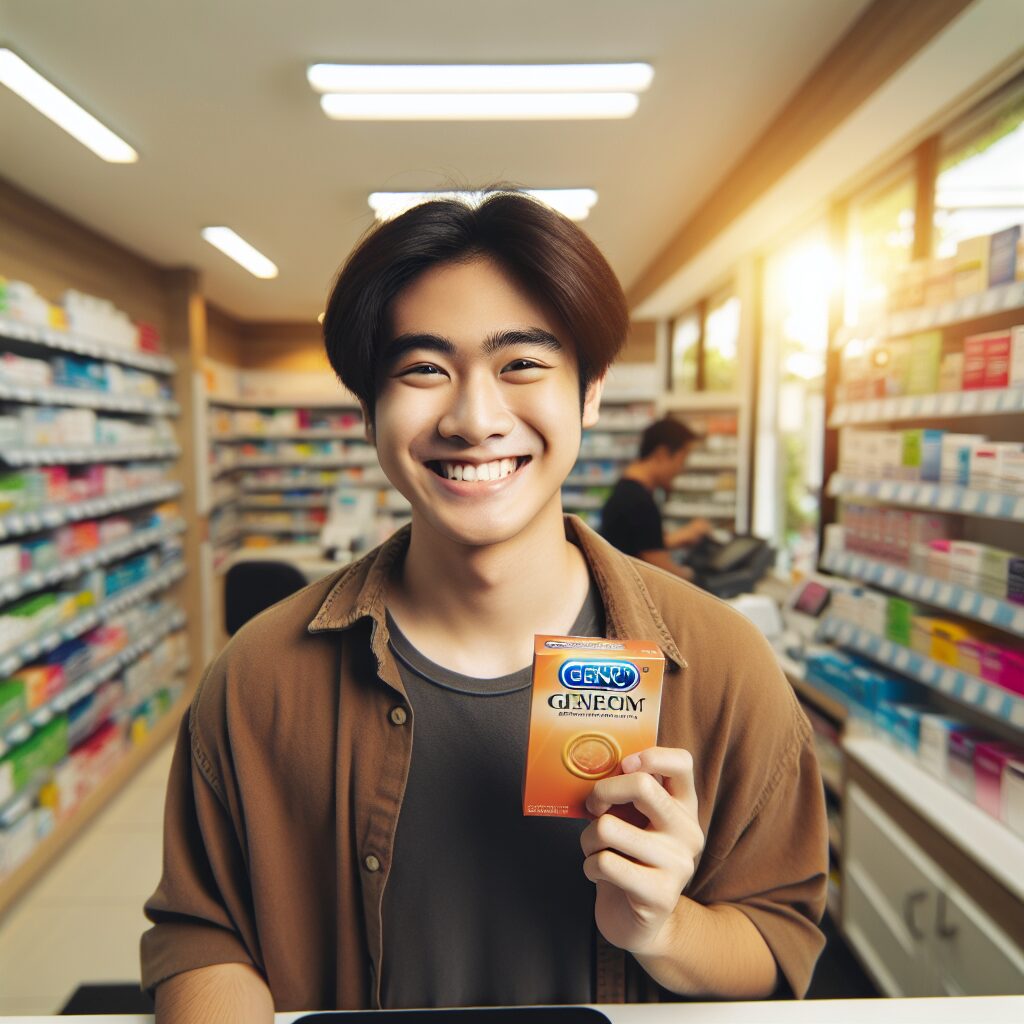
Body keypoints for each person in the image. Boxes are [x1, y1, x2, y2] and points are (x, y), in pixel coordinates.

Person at [141, 191, 828, 1022]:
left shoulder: (723, 668)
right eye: (424, 369)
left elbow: (779, 942)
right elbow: (202, 934)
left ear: (592, 390)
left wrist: (664, 927)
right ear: (368, 407)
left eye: (523, 365)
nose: (474, 418)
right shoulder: (258, 676)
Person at [599, 418, 715, 579]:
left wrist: (677, 538)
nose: (681, 469)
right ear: (661, 454)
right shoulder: (638, 501)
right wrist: (695, 577)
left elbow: (637, 544)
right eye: (682, 459)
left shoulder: (628, 491)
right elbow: (660, 567)